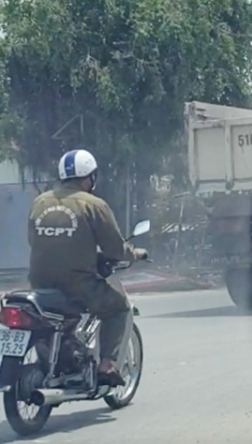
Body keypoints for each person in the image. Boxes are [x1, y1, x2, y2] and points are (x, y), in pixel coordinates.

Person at [27, 149, 147, 385]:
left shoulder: (40, 202)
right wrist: (136, 254)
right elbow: (115, 248)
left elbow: (34, 240)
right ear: (90, 177)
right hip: (77, 285)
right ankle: (107, 365)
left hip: (39, 283)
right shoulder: (94, 205)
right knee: (120, 308)